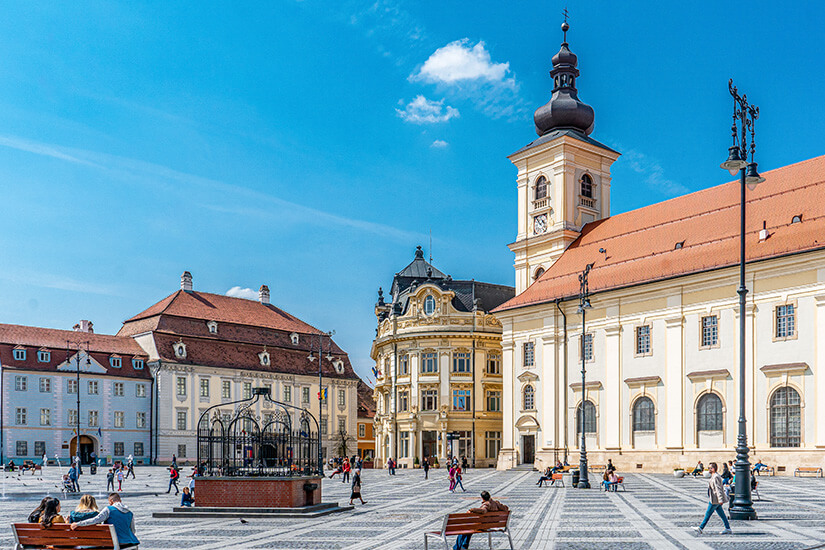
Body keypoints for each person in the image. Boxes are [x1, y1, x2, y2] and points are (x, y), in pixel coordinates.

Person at [71, 493, 140, 549]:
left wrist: (78, 524)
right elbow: (133, 530)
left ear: (111, 501)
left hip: (113, 542)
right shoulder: (129, 513)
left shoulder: (109, 509)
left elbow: (95, 520)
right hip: (129, 541)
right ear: (120, 500)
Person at [693, 462, 732, 535]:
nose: (708, 469)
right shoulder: (714, 476)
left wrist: (720, 499)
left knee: (708, 513)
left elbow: (718, 489)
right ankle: (728, 528)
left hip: (715, 499)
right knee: (722, 515)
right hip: (715, 499)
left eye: (710, 468)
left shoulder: (716, 477)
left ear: (713, 469)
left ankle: (700, 528)